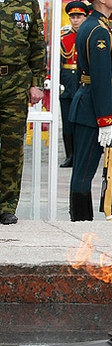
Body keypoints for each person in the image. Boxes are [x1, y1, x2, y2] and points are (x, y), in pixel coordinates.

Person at [68, 0, 112, 221]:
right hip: (92, 108)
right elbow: (100, 78)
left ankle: (81, 219)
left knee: (82, 169)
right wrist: (105, 119)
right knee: (84, 170)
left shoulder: (96, 25)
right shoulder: (98, 30)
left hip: (88, 104)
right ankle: (81, 222)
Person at [0, 0, 45, 225]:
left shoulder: (27, 3)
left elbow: (37, 42)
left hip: (15, 82)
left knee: (12, 146)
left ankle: (6, 206)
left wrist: (37, 82)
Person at [59, 2, 89, 169]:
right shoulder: (64, 37)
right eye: (73, 17)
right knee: (67, 121)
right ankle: (70, 155)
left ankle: (80, 155)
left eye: (79, 17)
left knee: (81, 121)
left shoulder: (88, 35)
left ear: (85, 17)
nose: (75, 20)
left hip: (82, 80)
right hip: (67, 82)